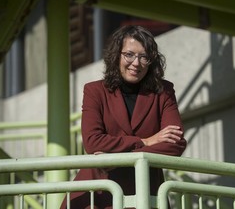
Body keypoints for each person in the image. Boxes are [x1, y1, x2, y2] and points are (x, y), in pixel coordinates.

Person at [60, 25, 186, 209]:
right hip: (98, 193)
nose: (136, 63)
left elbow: (175, 143)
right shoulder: (94, 91)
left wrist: (114, 159)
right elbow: (93, 142)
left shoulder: (163, 91)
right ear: (116, 55)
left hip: (145, 193)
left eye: (144, 57)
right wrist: (145, 141)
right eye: (129, 54)